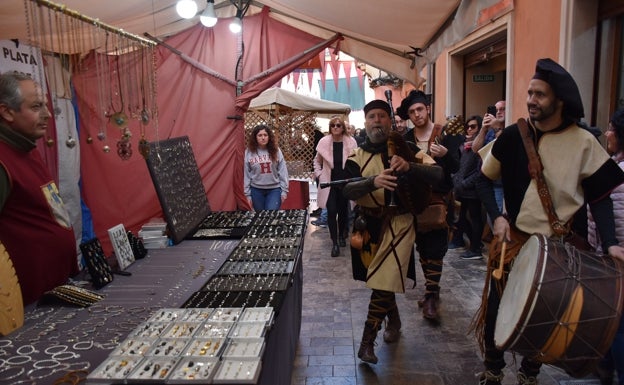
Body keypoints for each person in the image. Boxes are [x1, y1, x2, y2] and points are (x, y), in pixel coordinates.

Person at [473, 58, 624, 385]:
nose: (531, 100)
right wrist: (497, 216)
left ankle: (530, 373)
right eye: (529, 93)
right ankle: (493, 369)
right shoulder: (514, 135)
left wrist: (611, 242)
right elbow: (482, 179)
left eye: (539, 94)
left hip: (560, 250)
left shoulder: (583, 141)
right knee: (497, 310)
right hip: (515, 242)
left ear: (559, 101)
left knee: (544, 317)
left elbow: (599, 197)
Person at [342, 99, 443, 364]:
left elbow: (438, 175)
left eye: (382, 116)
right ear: (366, 122)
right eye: (372, 117)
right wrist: (372, 181)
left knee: (384, 276)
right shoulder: (356, 156)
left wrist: (410, 166)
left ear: (391, 121)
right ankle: (394, 321)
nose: (377, 121)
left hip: (400, 222)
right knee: (378, 279)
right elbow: (347, 189)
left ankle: (367, 342)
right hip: (368, 224)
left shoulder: (408, 149)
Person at [0, 72, 79, 305]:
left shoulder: (27, 148)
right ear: (6, 112)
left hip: (53, 289)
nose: (47, 115)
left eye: (45, 105)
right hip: (28, 300)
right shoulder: (3, 160)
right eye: (36, 107)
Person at [397, 90, 463, 321]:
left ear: (427, 109)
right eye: (412, 112)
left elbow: (457, 168)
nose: (417, 114)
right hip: (415, 202)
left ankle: (432, 296)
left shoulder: (446, 133)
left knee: (435, 250)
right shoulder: (406, 138)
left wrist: (445, 155)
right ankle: (430, 291)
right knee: (423, 250)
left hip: (439, 201)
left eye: (420, 110)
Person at [588, 108, 624, 385]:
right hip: (609, 255)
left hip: (615, 258)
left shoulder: (616, 173)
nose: (607, 133)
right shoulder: (612, 165)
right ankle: (605, 366)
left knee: (618, 323)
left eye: (610, 128)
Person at [313, 116, 358, 257]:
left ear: (343, 127)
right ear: (330, 127)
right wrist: (319, 174)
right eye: (333, 125)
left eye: (338, 125)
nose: (336, 128)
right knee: (331, 212)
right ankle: (334, 243)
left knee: (344, 212)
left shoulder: (351, 142)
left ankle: (341, 235)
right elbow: (317, 161)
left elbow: (356, 161)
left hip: (345, 183)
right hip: (329, 183)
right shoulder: (324, 142)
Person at [451, 115, 485, 260]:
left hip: (473, 190)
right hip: (463, 190)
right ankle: (474, 245)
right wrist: (457, 181)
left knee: (475, 218)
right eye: (468, 127)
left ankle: (476, 248)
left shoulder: (481, 146)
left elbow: (480, 171)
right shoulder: (464, 145)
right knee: (463, 218)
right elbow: (461, 167)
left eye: (473, 127)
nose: (469, 130)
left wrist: (465, 183)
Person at [244, 124, 289, 211]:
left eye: (265, 135)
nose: (263, 138)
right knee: (259, 216)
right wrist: (247, 194)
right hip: (256, 190)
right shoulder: (249, 152)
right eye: (260, 135)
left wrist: (284, 191)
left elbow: (283, 171)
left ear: (269, 137)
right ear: (255, 137)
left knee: (271, 214)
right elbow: (246, 173)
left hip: (274, 189)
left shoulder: (276, 150)